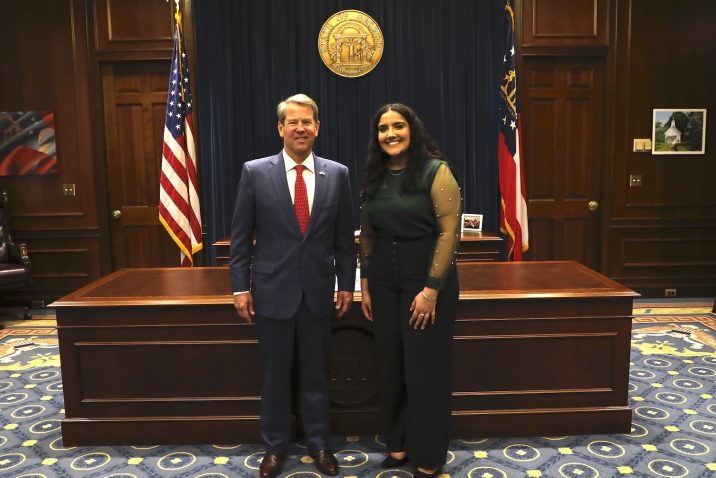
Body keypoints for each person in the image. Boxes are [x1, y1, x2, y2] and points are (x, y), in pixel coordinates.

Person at [229, 93, 356, 478]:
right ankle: (274, 447)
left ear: (317, 127)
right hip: (271, 293)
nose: (300, 128)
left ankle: (319, 445)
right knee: (275, 376)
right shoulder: (255, 172)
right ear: (280, 128)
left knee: (316, 375)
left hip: (318, 293)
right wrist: (239, 287)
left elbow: (343, 240)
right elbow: (240, 237)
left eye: (307, 122)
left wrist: (346, 284)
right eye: (293, 122)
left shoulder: (337, 174)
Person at [359, 103, 461, 477]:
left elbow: (450, 233)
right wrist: (366, 283)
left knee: (424, 369)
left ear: (412, 129)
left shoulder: (436, 170)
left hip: (426, 277)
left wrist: (432, 289)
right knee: (390, 365)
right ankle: (398, 445)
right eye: (383, 129)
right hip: (384, 279)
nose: (390, 134)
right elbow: (367, 233)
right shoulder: (375, 176)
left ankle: (430, 453)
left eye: (398, 126)